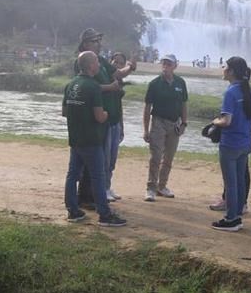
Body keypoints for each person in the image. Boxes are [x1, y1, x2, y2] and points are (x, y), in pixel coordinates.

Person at [62, 51, 126, 226]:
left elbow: (65, 112)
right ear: (91, 66)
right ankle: (105, 215)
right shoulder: (93, 87)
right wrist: (106, 114)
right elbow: (99, 116)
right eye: (97, 61)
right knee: (98, 176)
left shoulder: (71, 84)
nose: (99, 64)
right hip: (92, 139)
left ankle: (72, 211)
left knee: (72, 174)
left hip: (75, 138)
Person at [76, 29, 137, 207]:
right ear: (86, 44)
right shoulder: (83, 61)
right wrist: (110, 88)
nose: (99, 44)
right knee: (95, 161)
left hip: (110, 117)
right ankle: (91, 196)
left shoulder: (100, 60)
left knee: (107, 159)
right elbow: (87, 87)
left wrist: (130, 66)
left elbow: (117, 74)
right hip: (97, 117)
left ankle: (99, 192)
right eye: (95, 41)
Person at [209, 56, 251, 231]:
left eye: (225, 67)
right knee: (239, 181)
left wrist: (215, 122)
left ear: (231, 72)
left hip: (230, 144)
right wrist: (243, 129)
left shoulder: (230, 92)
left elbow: (227, 121)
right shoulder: (249, 92)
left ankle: (231, 219)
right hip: (245, 143)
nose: (223, 69)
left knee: (230, 183)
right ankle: (237, 216)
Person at [143, 54, 188, 202]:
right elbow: (147, 107)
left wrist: (184, 123)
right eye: (164, 64)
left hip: (175, 123)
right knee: (155, 156)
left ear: (175, 66)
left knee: (169, 157)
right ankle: (151, 188)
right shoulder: (155, 83)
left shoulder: (180, 83)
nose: (166, 67)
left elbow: (183, 104)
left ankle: (162, 186)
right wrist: (146, 129)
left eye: (169, 64)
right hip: (158, 122)